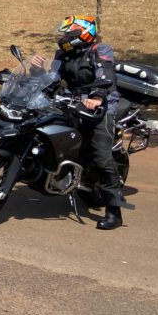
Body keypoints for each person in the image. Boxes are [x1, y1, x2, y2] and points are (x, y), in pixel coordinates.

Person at [29, 15, 126, 230]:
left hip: (101, 104)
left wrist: (97, 97)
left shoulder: (101, 50)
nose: (64, 37)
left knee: (101, 156)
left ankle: (114, 211)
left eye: (69, 33)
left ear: (84, 33)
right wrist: (37, 72)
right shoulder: (63, 53)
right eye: (64, 33)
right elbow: (53, 79)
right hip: (72, 101)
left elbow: (105, 74)